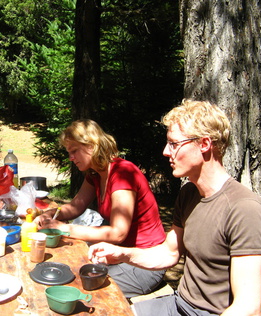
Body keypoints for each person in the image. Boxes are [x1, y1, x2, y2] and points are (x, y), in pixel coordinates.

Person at [88, 100, 261, 316]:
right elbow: (169, 252)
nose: (166, 151)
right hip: (178, 304)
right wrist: (122, 254)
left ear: (204, 144)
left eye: (174, 144)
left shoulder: (244, 208)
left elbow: (248, 307)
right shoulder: (189, 194)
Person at [35, 119, 166, 298]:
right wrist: (50, 213)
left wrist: (63, 228)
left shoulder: (123, 174)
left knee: (81, 289)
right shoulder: (95, 174)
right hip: (117, 254)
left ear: (91, 145)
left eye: (74, 151)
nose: (70, 158)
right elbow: (75, 207)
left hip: (144, 262)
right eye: (69, 152)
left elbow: (117, 233)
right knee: (65, 270)